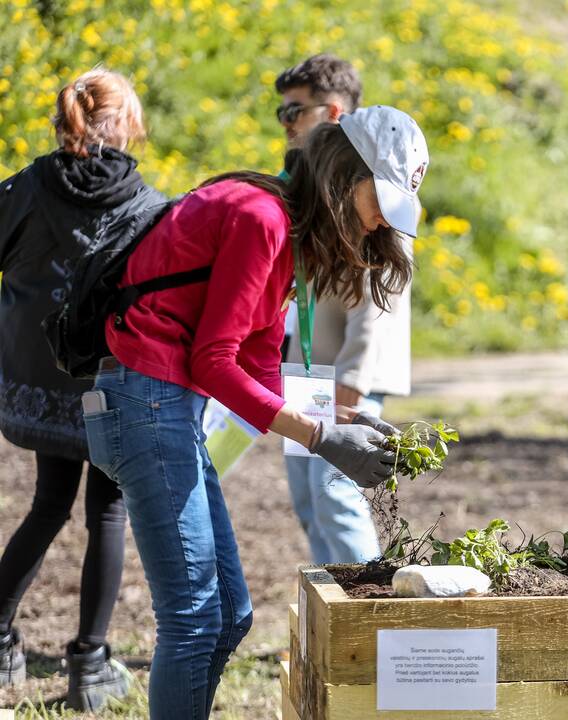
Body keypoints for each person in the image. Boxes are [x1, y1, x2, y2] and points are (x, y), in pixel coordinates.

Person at [84, 105, 428, 719]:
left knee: (230, 618)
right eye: (381, 200)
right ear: (345, 175)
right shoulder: (259, 217)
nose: (379, 223)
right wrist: (320, 438)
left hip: (166, 408)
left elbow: (261, 366)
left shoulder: (287, 235)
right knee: (193, 620)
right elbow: (214, 363)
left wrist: (342, 422)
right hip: (143, 402)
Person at [0, 68, 163, 710]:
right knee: (108, 513)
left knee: (47, 505)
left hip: (39, 379)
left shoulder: (26, 188)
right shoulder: (149, 204)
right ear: (127, 124)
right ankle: (90, 667)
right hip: (110, 376)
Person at [276, 54, 412, 563]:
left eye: (295, 111)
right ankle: (332, 624)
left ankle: (370, 623)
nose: (286, 123)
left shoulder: (377, 181)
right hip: (306, 374)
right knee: (310, 504)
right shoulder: (311, 186)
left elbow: (371, 313)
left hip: (347, 379)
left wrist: (349, 389)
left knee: (338, 499)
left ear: (331, 112)